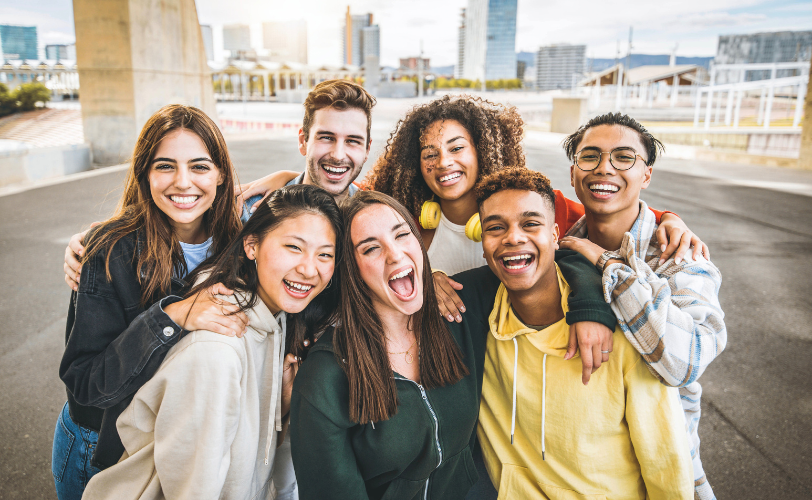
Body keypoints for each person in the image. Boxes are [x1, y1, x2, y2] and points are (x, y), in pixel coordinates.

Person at [288, 191, 615, 500]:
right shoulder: (324, 379)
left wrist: (590, 307)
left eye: (402, 235)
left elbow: (549, 259)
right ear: (351, 269)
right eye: (371, 248)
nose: (395, 254)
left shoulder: (459, 307)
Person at [82, 184, 342, 500]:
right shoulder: (217, 351)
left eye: (325, 254)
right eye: (294, 247)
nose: (309, 268)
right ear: (252, 246)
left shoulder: (278, 318)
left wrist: (283, 408)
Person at [53, 105, 246, 500]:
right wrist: (173, 315)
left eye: (199, 166)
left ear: (221, 173)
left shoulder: (241, 245)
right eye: (164, 166)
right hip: (102, 447)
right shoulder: (109, 251)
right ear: (144, 173)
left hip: (180, 443)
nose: (182, 182)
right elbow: (86, 384)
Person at [474, 167, 694, 499]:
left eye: (531, 224)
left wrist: (669, 218)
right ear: (483, 242)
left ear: (555, 234)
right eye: (495, 227)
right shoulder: (479, 320)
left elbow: (666, 462)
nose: (513, 237)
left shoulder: (620, 330)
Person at [557, 112, 727, 500]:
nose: (604, 168)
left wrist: (608, 265)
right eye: (591, 156)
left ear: (646, 175)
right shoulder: (556, 246)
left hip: (657, 469)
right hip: (576, 468)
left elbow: (685, 363)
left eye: (623, 158)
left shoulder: (682, 258)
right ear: (572, 173)